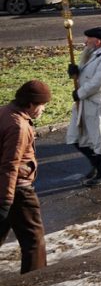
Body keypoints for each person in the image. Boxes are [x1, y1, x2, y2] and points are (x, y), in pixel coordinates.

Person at [0, 80, 50, 274]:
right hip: (17, 189)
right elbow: (11, 164)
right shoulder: (19, 126)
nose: (43, 109)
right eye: (42, 105)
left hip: (6, 186)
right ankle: (34, 280)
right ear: (30, 104)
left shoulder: (5, 111)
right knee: (34, 240)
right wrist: (5, 201)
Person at [65, 27, 101, 186]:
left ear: (97, 41)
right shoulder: (92, 52)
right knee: (75, 136)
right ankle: (96, 166)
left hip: (98, 102)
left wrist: (79, 93)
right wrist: (75, 72)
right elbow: (87, 74)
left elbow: (98, 82)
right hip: (84, 101)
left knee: (100, 136)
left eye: (88, 39)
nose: (85, 41)